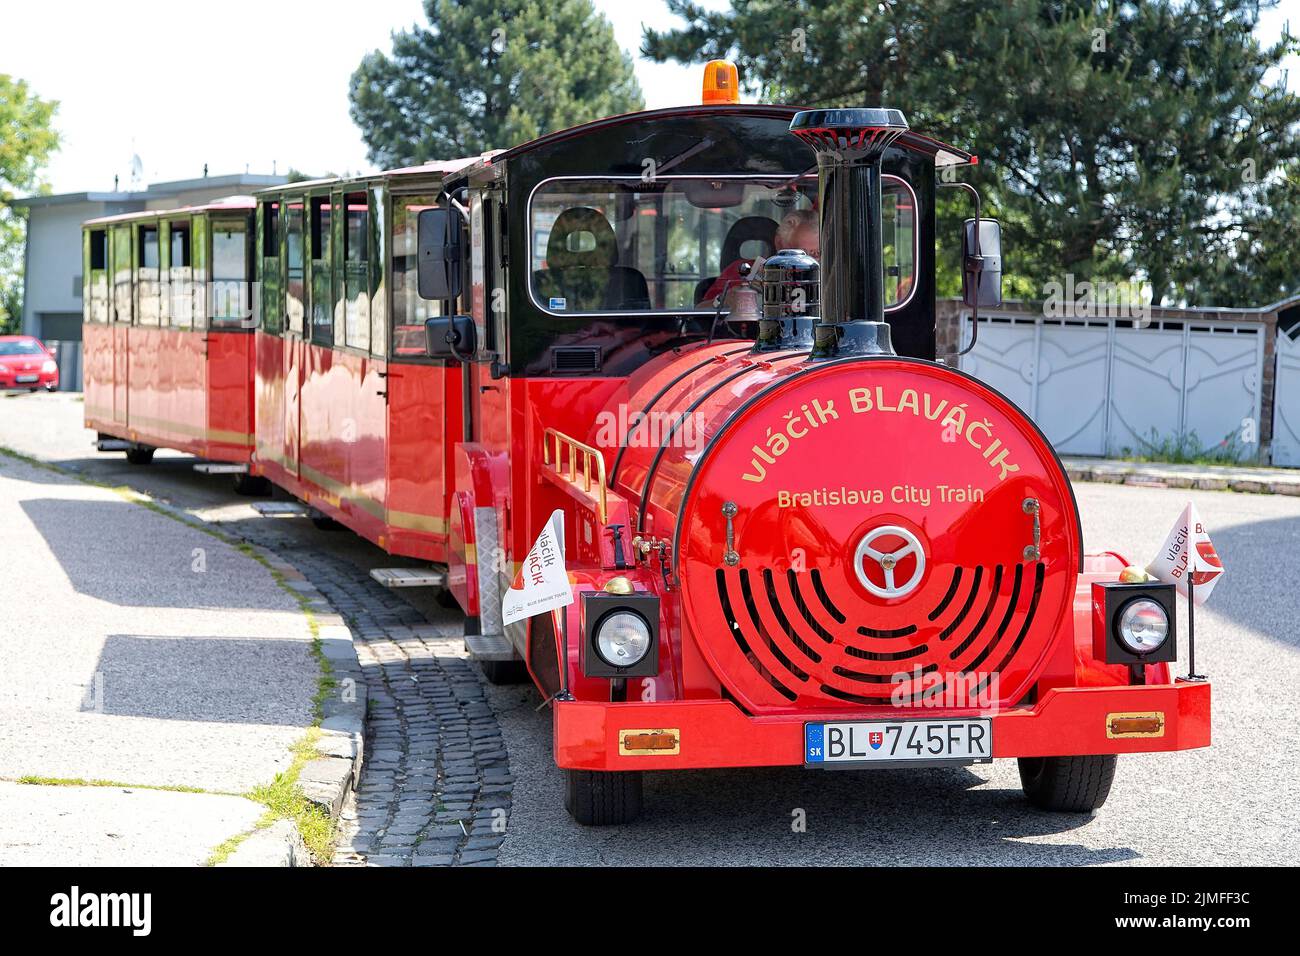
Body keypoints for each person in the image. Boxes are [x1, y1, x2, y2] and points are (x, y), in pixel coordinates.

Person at [696, 207, 820, 307]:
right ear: (779, 243)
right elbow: (699, 311)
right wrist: (724, 300)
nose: (809, 261)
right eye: (800, 253)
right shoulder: (743, 271)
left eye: (816, 254)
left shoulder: (832, 279)